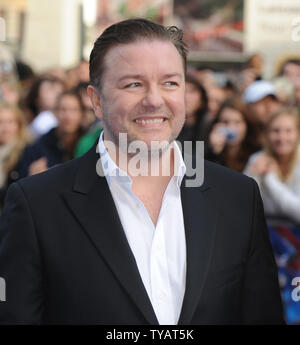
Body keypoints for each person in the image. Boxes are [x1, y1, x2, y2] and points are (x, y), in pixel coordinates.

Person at [0, 18, 283, 325]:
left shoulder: (238, 198)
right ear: (96, 100)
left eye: (170, 83)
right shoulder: (37, 205)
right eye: (133, 84)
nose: (154, 100)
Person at [244, 107, 300, 226]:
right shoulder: (257, 159)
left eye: (288, 131)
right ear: (267, 134)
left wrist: (270, 179)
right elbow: (242, 205)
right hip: (265, 232)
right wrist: (253, 175)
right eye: (276, 131)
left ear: (297, 133)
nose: (282, 138)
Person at [17, 90, 84, 178]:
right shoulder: (39, 148)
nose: (68, 116)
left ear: (81, 113)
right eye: (63, 110)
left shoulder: (89, 142)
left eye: (74, 110)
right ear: (55, 113)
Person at [206, 97, 259, 172]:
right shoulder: (206, 149)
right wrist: (213, 152)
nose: (231, 128)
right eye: (225, 122)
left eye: (237, 122)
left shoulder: (257, 153)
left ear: (247, 125)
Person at [0, 103, 31, 208]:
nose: (5, 128)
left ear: (19, 125)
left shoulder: (27, 152)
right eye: (1, 122)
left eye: (10, 122)